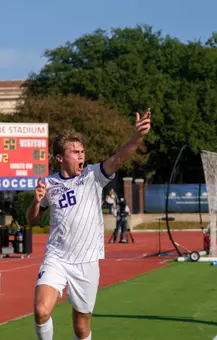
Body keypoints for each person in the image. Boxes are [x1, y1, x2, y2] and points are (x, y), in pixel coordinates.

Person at [26, 109, 151, 340]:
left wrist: (137, 136)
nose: (81, 155)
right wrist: (35, 201)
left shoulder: (93, 175)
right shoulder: (49, 184)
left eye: (82, 151)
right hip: (57, 258)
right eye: (75, 152)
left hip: (86, 261)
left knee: (81, 328)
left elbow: (120, 157)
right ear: (60, 158)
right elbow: (31, 220)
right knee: (41, 311)